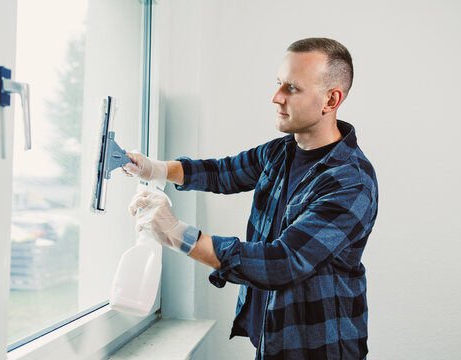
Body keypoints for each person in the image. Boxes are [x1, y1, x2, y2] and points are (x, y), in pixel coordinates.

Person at [125, 37, 378, 360]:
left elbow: (282, 262)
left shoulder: (350, 182)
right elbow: (222, 172)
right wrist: (155, 169)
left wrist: (177, 234)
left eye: (292, 88)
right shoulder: (281, 151)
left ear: (331, 99)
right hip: (274, 336)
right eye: (278, 84)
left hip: (319, 348)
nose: (276, 98)